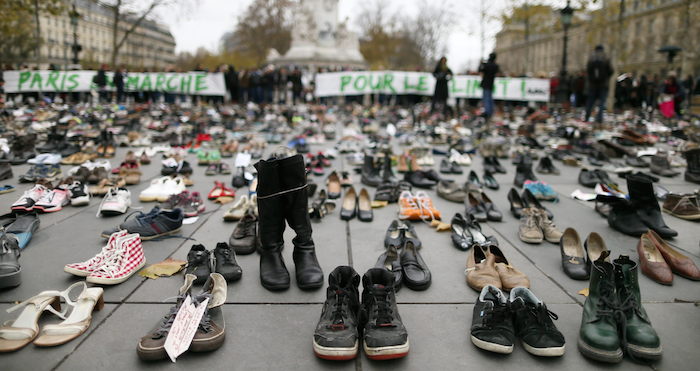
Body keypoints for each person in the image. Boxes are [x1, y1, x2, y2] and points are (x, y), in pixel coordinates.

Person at [584, 45, 613, 123]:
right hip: (603, 85)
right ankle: (599, 118)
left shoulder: (591, 58)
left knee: (590, 102)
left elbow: (588, 70)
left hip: (593, 85)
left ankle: (587, 117)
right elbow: (611, 71)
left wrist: (591, 80)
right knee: (602, 103)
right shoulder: (605, 58)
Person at [478, 53, 499, 119]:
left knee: (486, 99)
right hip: (491, 84)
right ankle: (490, 111)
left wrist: (481, 64)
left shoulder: (486, 65)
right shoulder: (495, 65)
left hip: (486, 84)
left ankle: (487, 113)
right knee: (489, 99)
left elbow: (480, 70)